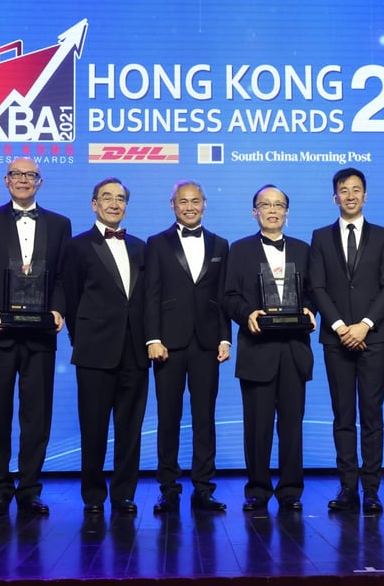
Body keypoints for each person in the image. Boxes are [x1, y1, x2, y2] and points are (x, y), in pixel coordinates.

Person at [0, 158, 71, 517]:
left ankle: (29, 489)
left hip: (40, 335)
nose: (23, 180)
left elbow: (62, 277)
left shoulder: (60, 224)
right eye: (17, 174)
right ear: (6, 180)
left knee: (37, 416)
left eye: (31, 175)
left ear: (40, 182)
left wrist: (58, 309)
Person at [308, 168, 384, 514]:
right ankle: (348, 487)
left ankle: (371, 489)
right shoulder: (320, 237)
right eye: (343, 190)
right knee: (342, 415)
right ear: (335, 197)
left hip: (374, 337)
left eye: (356, 189)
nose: (350, 195)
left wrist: (364, 325)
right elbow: (317, 287)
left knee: (372, 415)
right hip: (336, 339)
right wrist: (341, 327)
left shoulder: (383, 235)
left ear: (365, 195)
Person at [223, 185, 316, 513]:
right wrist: (247, 313)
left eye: (279, 205)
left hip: (293, 350)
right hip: (257, 350)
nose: (272, 210)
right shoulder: (239, 249)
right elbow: (229, 296)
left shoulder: (304, 249)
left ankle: (291, 490)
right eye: (265, 204)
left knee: (292, 426)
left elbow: (314, 292)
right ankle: (257, 490)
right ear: (255, 212)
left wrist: (310, 309)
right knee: (257, 428)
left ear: (287, 212)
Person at [145, 180, 231, 515]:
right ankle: (168, 489)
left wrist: (225, 338)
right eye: (183, 201)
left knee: (204, 417)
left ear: (204, 204)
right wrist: (153, 338)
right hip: (167, 343)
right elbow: (151, 294)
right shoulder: (157, 243)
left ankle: (204, 489)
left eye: (196, 201)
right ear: (173, 205)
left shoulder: (220, 244)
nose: (190, 206)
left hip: (207, 343)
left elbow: (222, 297)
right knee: (168, 417)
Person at [62, 177, 147, 515]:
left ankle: (124, 494)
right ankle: (94, 495)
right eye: (107, 197)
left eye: (120, 198)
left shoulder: (140, 247)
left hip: (135, 351)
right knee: (94, 428)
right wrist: (81, 339)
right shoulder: (77, 246)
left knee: (130, 429)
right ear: (94, 204)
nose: (114, 203)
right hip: (95, 350)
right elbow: (71, 299)